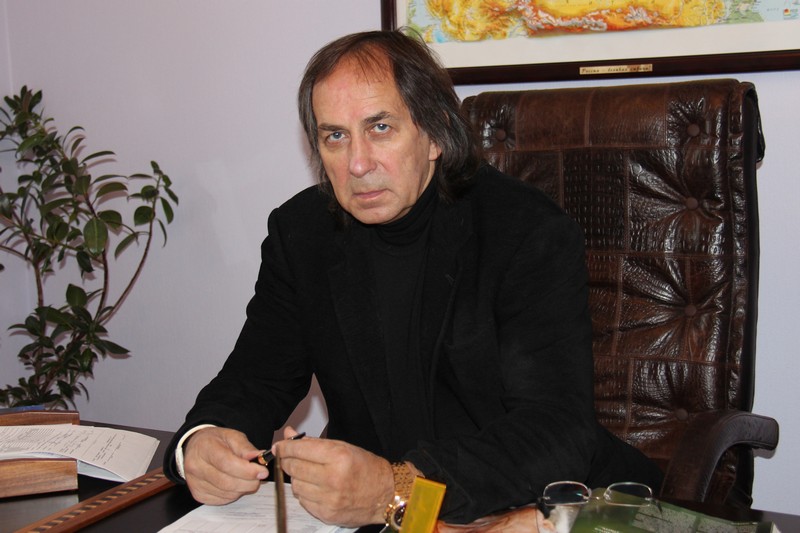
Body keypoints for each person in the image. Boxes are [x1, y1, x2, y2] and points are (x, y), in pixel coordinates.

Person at [163, 30, 663, 528]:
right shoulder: (301, 234)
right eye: (335, 136)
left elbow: (555, 433)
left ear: (436, 134)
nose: (357, 164)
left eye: (380, 128)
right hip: (369, 518)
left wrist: (395, 487)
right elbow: (256, 376)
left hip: (527, 507)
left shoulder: (526, 232)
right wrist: (201, 443)